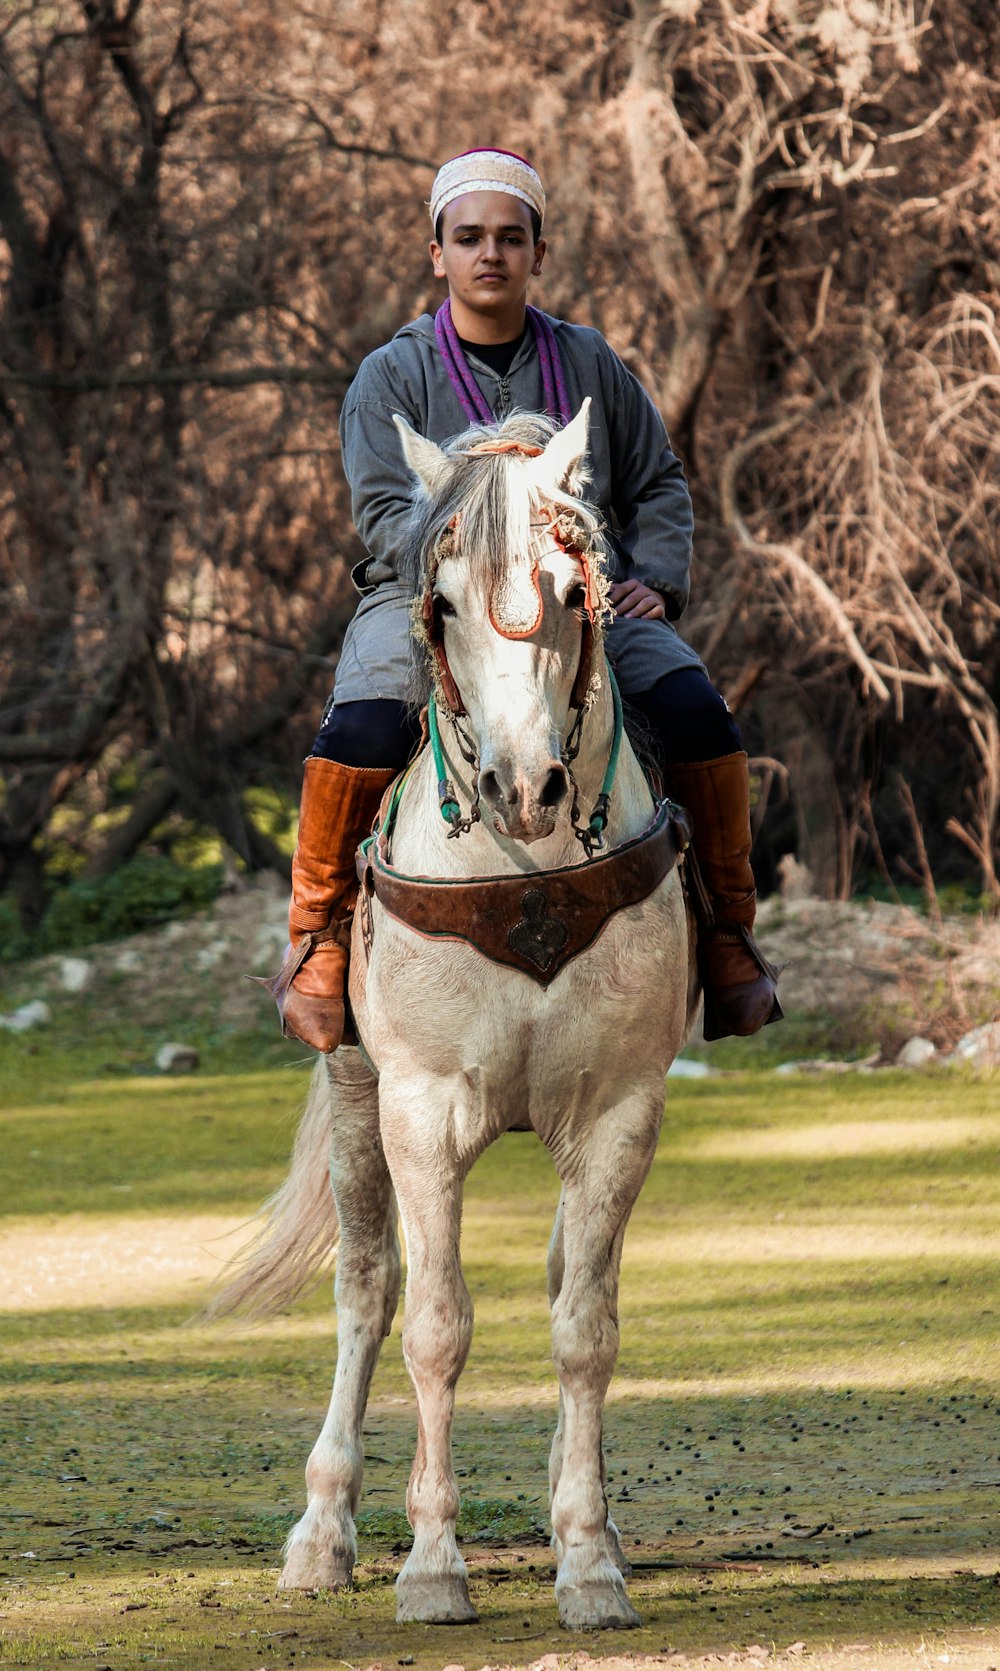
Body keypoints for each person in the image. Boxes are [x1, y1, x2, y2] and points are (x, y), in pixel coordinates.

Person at [270, 147, 780, 1053]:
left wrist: (655, 579)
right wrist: (453, 569)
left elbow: (659, 482)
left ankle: (730, 936)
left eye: (510, 238)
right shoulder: (389, 375)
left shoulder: (589, 360)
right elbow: (386, 508)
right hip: (430, 598)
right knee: (361, 727)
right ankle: (318, 940)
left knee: (696, 709)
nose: (489, 255)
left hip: (576, 595)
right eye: (468, 238)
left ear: (538, 253)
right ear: (438, 253)